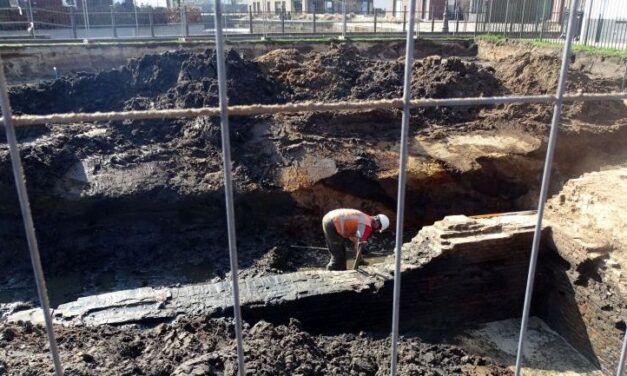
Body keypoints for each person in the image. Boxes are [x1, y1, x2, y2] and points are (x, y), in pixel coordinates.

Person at [322, 209, 390, 271]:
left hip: (330, 217)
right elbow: (359, 244)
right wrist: (361, 249)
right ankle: (331, 275)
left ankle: (341, 270)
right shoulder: (367, 226)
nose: (377, 230)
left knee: (341, 251)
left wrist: (360, 258)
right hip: (332, 223)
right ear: (378, 223)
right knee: (338, 257)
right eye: (379, 228)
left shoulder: (366, 218)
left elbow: (354, 239)